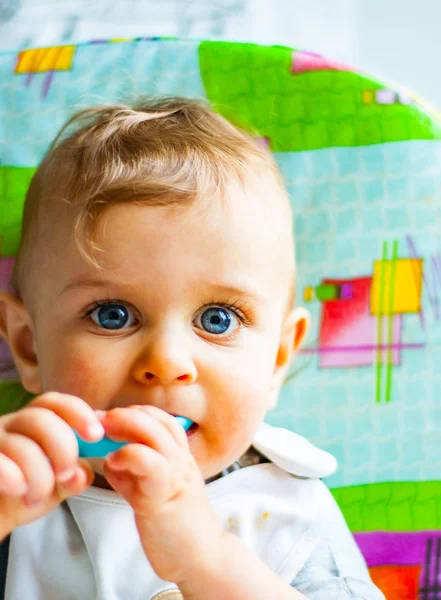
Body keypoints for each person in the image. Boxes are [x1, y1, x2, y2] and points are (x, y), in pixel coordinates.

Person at [0, 97, 385, 599]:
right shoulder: (18, 489)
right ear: (28, 346)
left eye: (217, 319)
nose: (166, 362)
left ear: (276, 360)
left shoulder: (287, 511)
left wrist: (206, 562)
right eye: (112, 315)